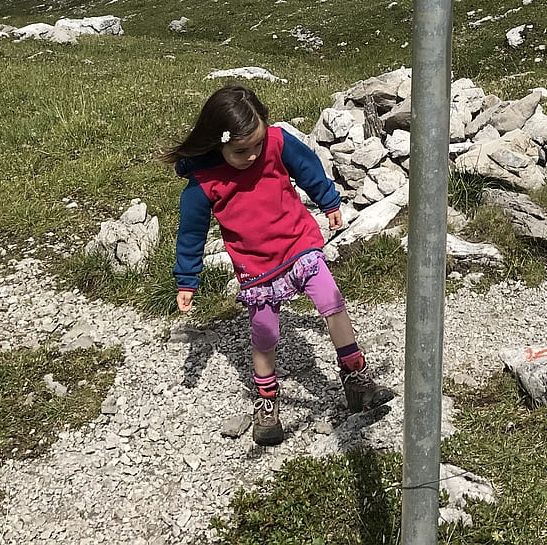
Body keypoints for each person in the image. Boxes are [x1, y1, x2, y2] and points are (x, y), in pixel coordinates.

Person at [165, 85, 392, 445]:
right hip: (257, 267)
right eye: (241, 151)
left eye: (257, 144)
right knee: (266, 334)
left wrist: (330, 202)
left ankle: (356, 377)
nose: (253, 155)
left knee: (332, 302)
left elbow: (307, 167)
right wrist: (187, 279)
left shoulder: (276, 142)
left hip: (298, 244)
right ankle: (268, 401)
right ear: (217, 142)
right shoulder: (203, 182)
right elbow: (191, 233)